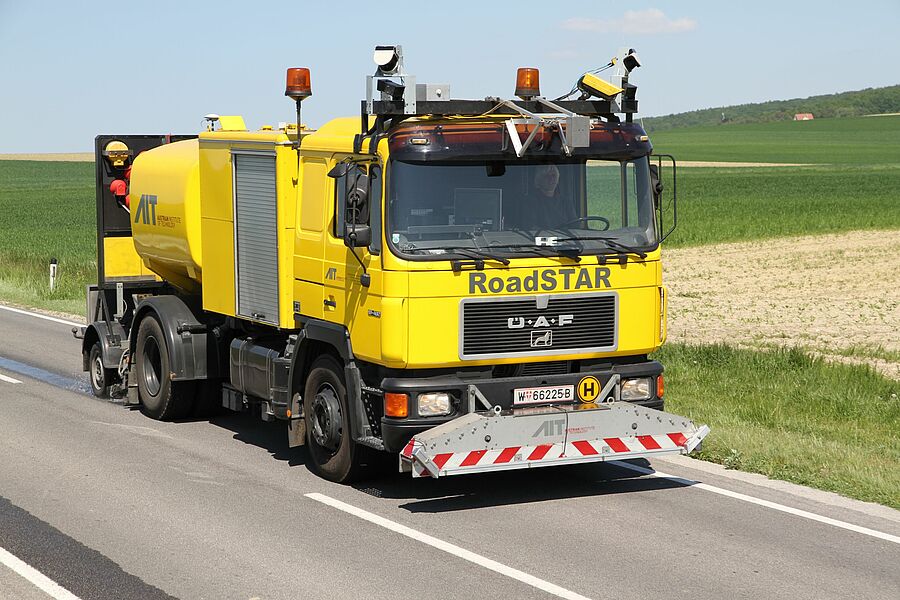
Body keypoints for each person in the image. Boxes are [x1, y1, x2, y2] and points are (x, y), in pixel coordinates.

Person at [523, 164, 578, 230]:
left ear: (557, 179)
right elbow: (530, 227)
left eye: (553, 176)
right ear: (538, 179)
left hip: (564, 239)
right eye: (546, 176)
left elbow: (575, 226)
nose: (551, 179)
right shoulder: (529, 202)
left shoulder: (566, 202)